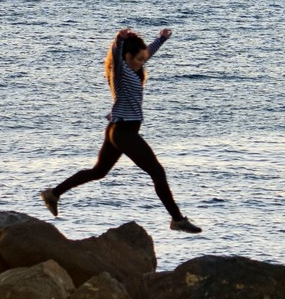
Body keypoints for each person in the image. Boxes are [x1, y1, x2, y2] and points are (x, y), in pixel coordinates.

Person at [42, 26, 201, 233]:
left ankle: (53, 194)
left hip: (117, 129)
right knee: (157, 172)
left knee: (98, 171)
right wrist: (118, 39)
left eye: (143, 61)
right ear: (127, 56)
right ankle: (177, 219)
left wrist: (161, 40)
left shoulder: (132, 68)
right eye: (138, 60)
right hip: (124, 132)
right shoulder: (120, 71)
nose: (142, 63)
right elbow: (118, 56)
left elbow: (145, 54)